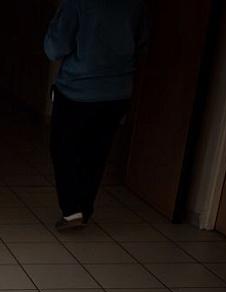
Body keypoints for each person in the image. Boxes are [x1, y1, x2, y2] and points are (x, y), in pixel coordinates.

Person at [45, 0, 149, 230]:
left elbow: (54, 48)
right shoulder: (134, 5)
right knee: (96, 152)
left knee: (64, 148)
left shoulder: (77, 3)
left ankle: (73, 209)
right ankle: (83, 207)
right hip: (118, 91)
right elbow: (141, 43)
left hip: (78, 90)